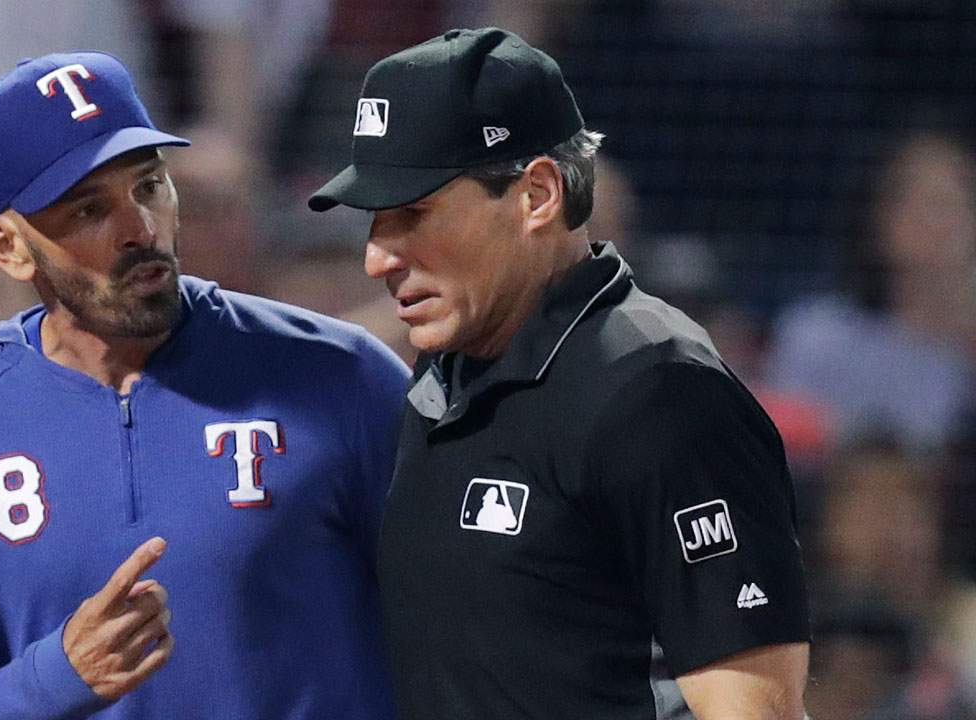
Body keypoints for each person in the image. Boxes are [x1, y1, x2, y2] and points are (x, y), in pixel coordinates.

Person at [0, 51, 408, 719]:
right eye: (89, 211)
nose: (140, 232)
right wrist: (57, 676)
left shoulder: (339, 374)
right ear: (7, 246)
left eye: (149, 187)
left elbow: (472, 616)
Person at [309, 28, 811, 719]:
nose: (378, 259)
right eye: (374, 223)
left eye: (413, 214)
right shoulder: (446, 371)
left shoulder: (657, 391)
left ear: (538, 194)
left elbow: (757, 713)